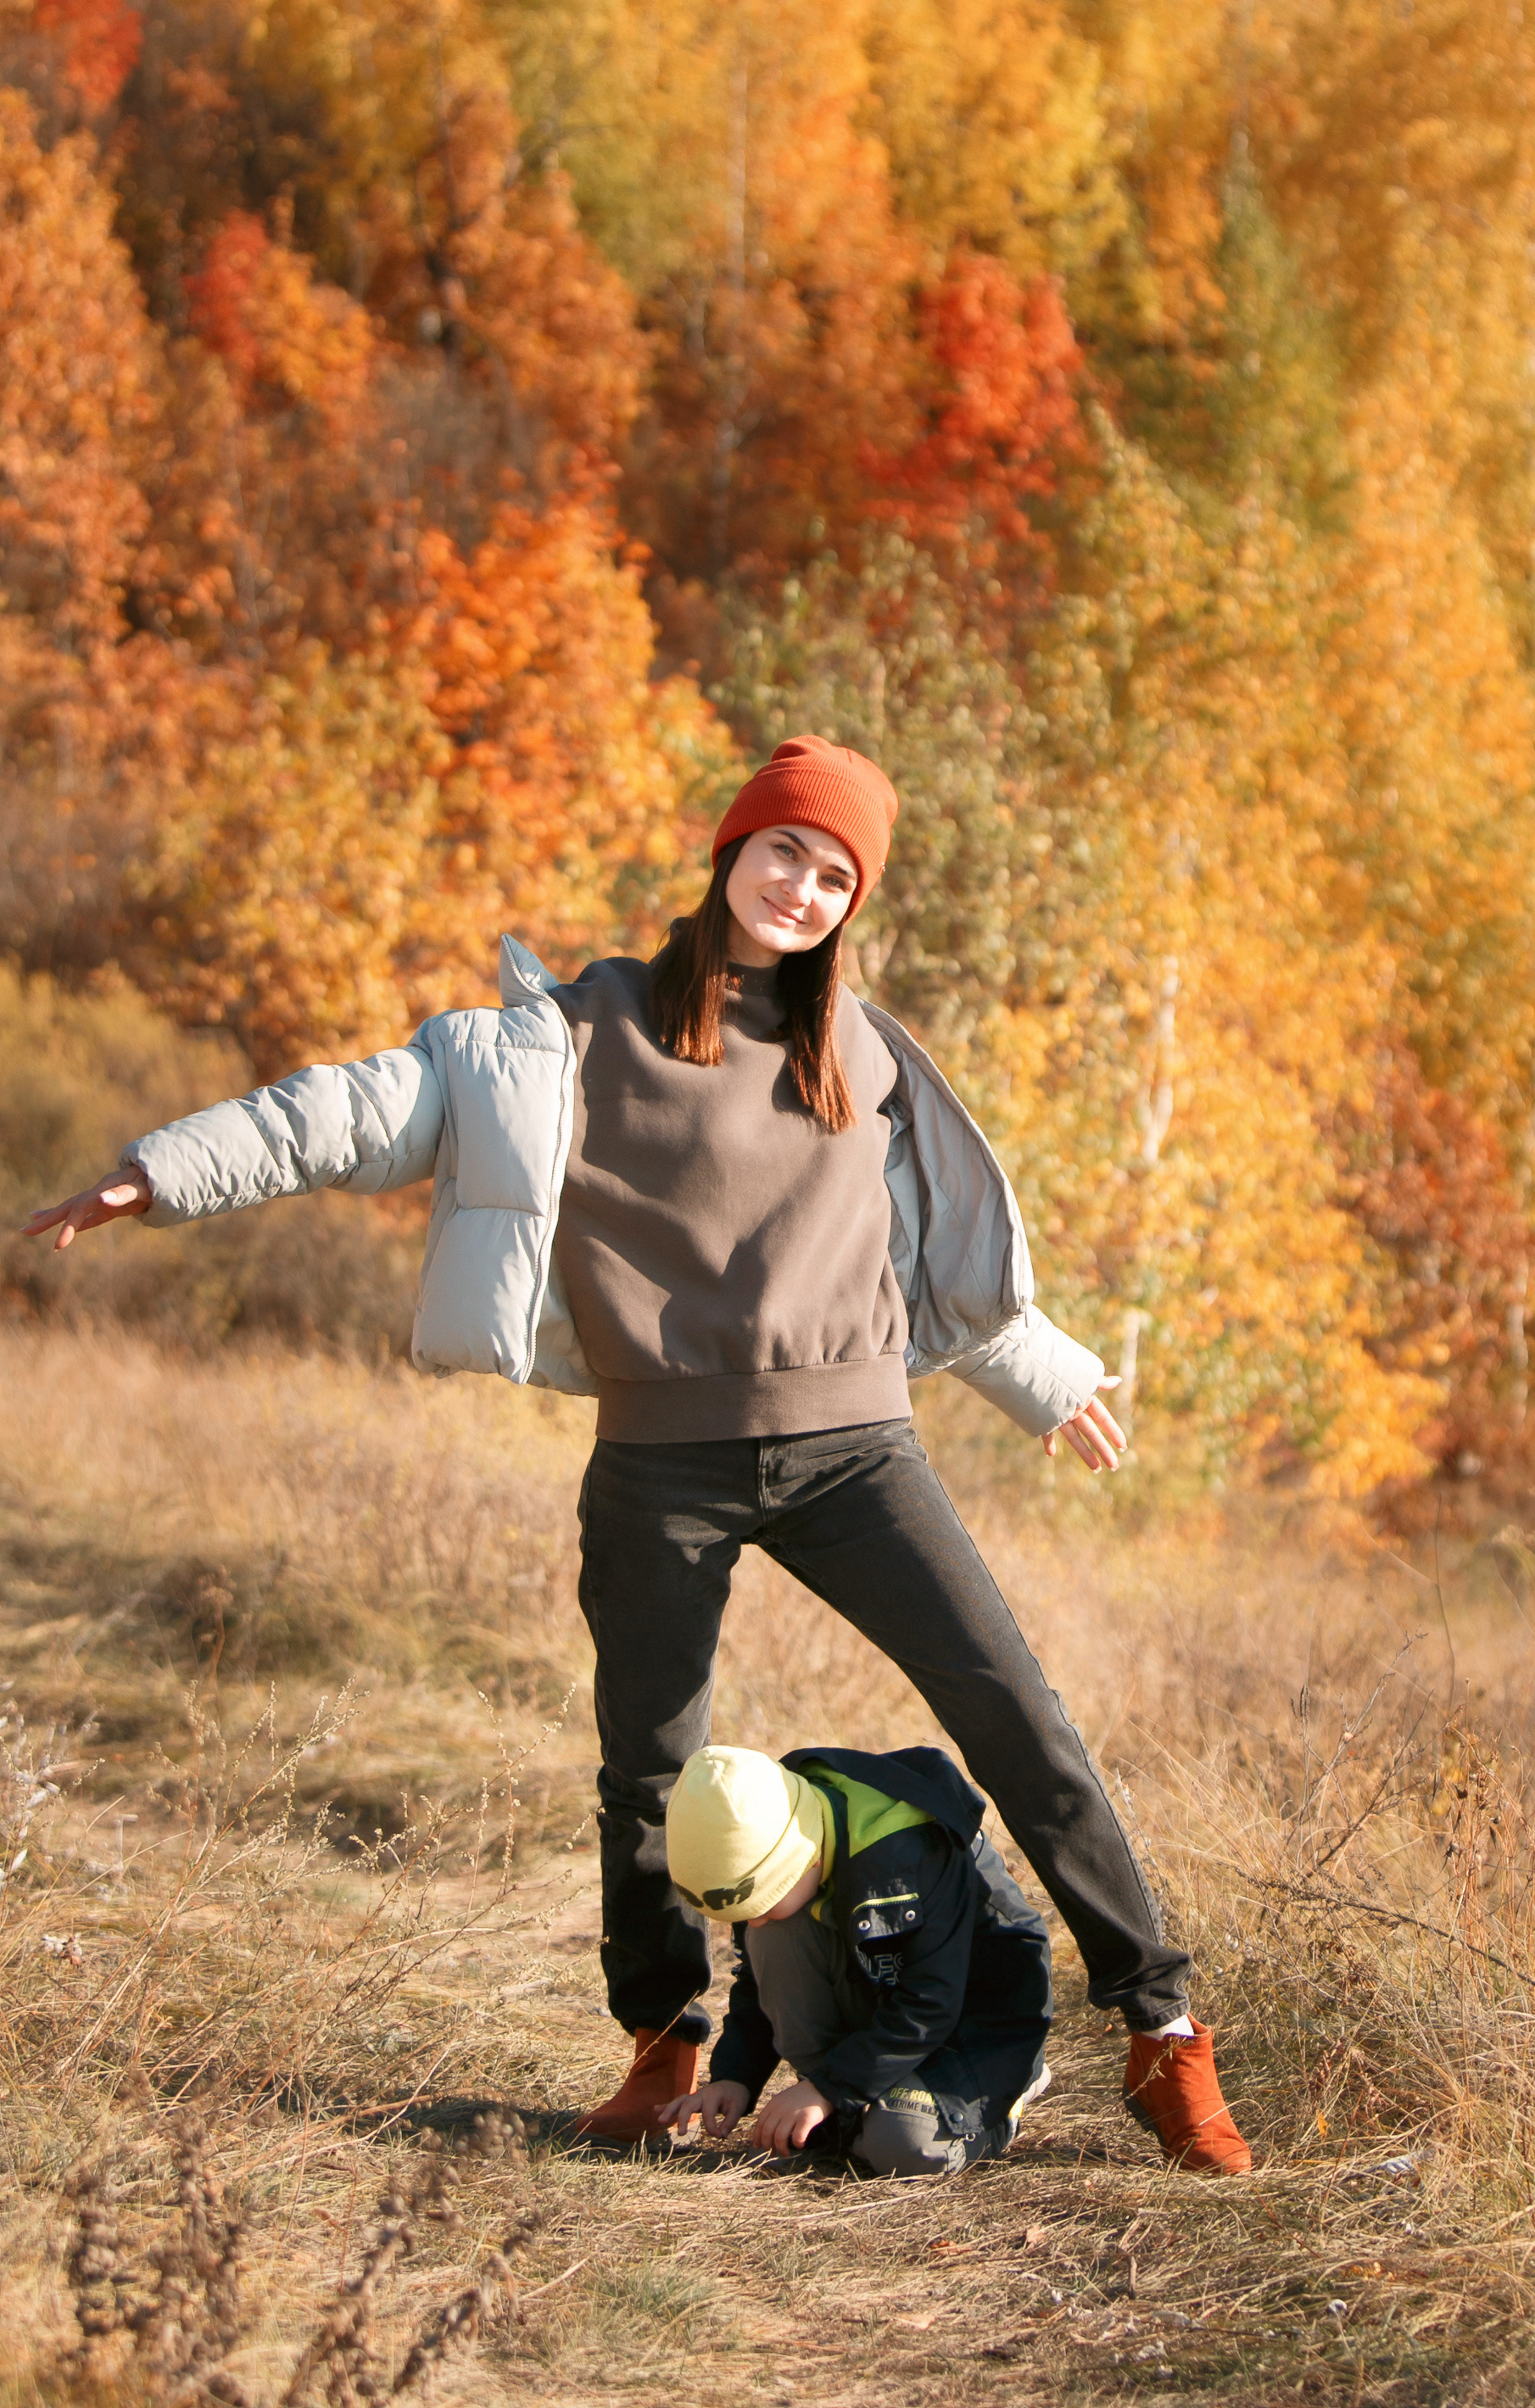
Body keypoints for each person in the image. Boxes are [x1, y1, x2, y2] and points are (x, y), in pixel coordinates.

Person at [25, 735, 1251, 2176]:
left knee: (1016, 1719)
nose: (802, 885)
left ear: (854, 904)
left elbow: (922, 1254)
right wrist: (162, 1171)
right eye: (785, 849)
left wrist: (1039, 1374)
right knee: (648, 1768)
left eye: (836, 872)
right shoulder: (571, 1034)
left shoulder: (861, 1049)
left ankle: (1159, 2031)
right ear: (732, 849)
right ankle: (663, 2040)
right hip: (663, 1457)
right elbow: (356, 1113)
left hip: (856, 1447)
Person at [655, 1738, 1053, 2175]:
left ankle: (1006, 2104)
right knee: (773, 1938)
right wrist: (736, 2075)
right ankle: (849, 2109)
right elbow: (758, 1978)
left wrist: (828, 2088)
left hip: (976, 2027)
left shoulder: (906, 1854)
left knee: (900, 2146)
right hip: (888, 2012)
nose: (754, 1923)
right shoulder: (772, 1831)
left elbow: (932, 2003)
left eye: (762, 1906)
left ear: (796, 1860)